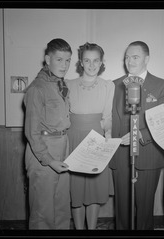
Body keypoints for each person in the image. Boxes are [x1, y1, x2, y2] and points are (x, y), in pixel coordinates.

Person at [109, 41, 164, 230]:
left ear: (147, 59)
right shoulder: (114, 85)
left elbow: (163, 121)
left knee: (145, 210)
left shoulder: (161, 86)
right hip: (120, 156)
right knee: (122, 209)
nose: (129, 61)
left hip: (149, 154)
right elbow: (108, 118)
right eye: (127, 57)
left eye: (135, 56)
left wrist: (137, 135)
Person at [23, 38, 72, 229]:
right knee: (43, 212)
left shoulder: (60, 84)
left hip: (63, 145)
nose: (65, 65)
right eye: (59, 60)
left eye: (67, 60)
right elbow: (32, 132)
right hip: (43, 150)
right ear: (47, 59)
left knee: (61, 207)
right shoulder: (37, 88)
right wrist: (49, 160)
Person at [66, 42, 115, 230]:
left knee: (94, 190)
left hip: (97, 138)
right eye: (87, 60)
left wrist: (108, 135)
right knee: (76, 191)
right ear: (80, 62)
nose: (92, 65)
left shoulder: (107, 86)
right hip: (74, 139)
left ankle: (92, 230)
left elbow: (107, 117)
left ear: (101, 62)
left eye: (96, 60)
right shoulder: (67, 84)